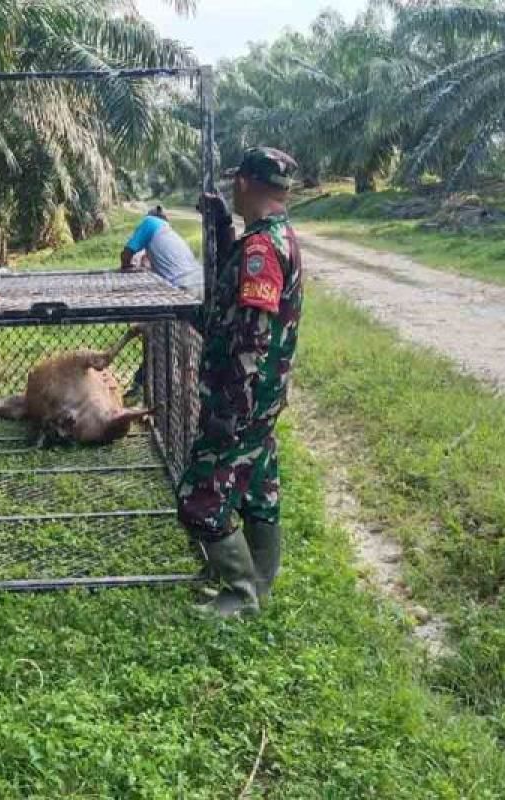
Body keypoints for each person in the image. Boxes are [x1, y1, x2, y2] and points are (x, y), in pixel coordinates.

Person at [176, 147, 303, 618]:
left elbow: (253, 332)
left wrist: (232, 404)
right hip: (264, 395)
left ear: (246, 183)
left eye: (235, 183)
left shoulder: (261, 250)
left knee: (198, 500)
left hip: (242, 395)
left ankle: (241, 593)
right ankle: (261, 584)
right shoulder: (277, 236)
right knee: (257, 487)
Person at [121, 205, 203, 297]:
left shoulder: (150, 221)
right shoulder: (168, 234)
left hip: (182, 285)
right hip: (199, 280)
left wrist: (126, 267)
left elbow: (126, 254)